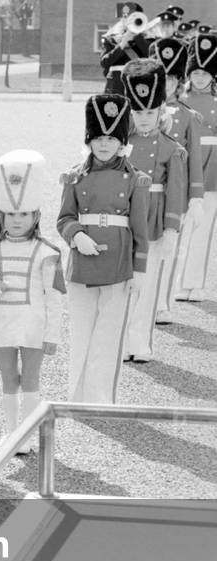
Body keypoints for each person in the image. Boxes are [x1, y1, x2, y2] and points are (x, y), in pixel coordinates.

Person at [56, 94, 149, 404]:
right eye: (98, 138)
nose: (104, 144)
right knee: (81, 332)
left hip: (119, 263)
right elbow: (64, 218)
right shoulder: (74, 175)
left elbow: (140, 229)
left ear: (122, 141)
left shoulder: (134, 179)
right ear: (89, 140)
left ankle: (100, 398)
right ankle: (77, 396)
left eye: (111, 138)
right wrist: (76, 235)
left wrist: (139, 270)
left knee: (108, 336)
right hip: (82, 262)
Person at [0, 150, 63, 454]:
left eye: (24, 214)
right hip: (0, 323)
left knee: (32, 379)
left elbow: (54, 298)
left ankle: (27, 433)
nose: (17, 220)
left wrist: (52, 335)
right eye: (11, 214)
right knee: (9, 378)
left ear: (36, 216)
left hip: (33, 325)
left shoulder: (47, 252)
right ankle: (11, 434)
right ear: (2, 216)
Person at [121, 58, 186, 362]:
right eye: (138, 112)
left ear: (161, 111)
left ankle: (140, 343)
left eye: (150, 112)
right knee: (123, 285)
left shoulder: (171, 147)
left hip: (155, 221)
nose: (144, 119)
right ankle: (121, 341)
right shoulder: (120, 144)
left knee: (148, 287)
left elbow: (175, 191)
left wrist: (172, 227)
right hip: (125, 221)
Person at [150, 36, 204, 323]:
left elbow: (194, 158)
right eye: (163, 78)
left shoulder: (188, 115)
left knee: (170, 249)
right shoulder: (140, 114)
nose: (168, 85)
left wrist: (195, 198)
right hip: (145, 194)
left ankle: (162, 302)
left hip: (175, 194)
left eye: (172, 78)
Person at [174, 29, 217, 302]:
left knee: (205, 228)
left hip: (213, 167)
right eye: (195, 72)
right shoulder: (181, 102)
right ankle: (177, 283)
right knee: (180, 227)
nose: (199, 77)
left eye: (205, 73)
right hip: (188, 165)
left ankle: (196, 283)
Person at [99, 2, 150, 95]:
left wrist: (137, 38)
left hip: (139, 85)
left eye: (132, 17)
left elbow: (150, 57)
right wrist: (122, 45)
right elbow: (104, 62)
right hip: (116, 86)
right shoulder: (111, 38)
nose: (127, 20)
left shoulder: (146, 38)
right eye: (125, 17)